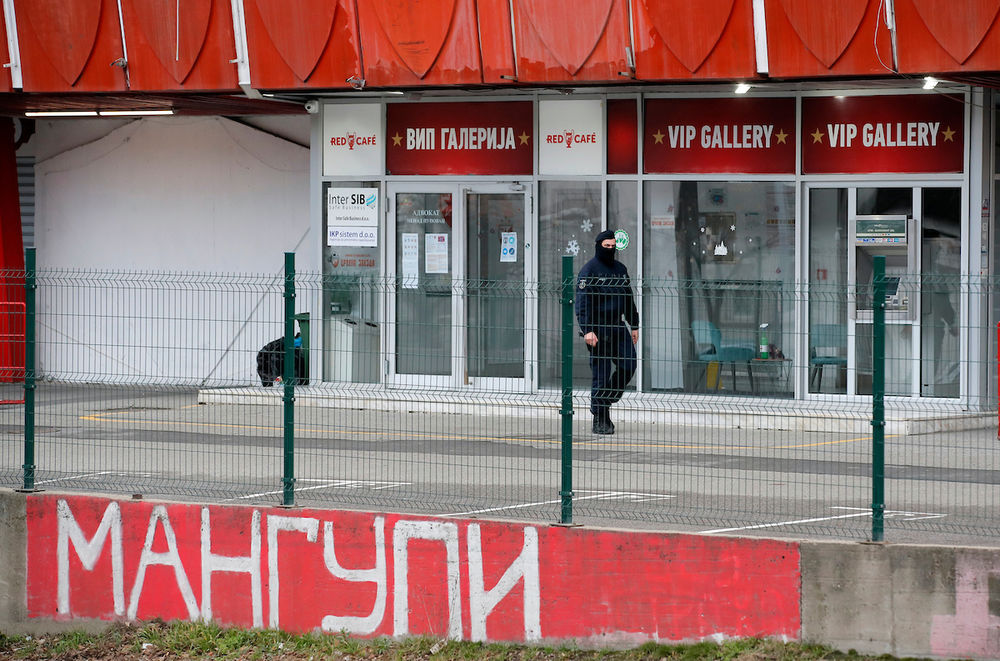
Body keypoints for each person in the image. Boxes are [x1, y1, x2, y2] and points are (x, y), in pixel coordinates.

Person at [575, 229, 639, 435]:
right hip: (597, 329)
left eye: (613, 246)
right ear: (598, 246)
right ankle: (600, 418)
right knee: (601, 375)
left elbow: (628, 298)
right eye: (606, 246)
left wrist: (634, 325)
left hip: (618, 326)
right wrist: (587, 330)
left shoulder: (620, 269)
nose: (610, 249)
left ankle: (606, 398)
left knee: (629, 365)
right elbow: (582, 303)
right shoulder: (589, 270)